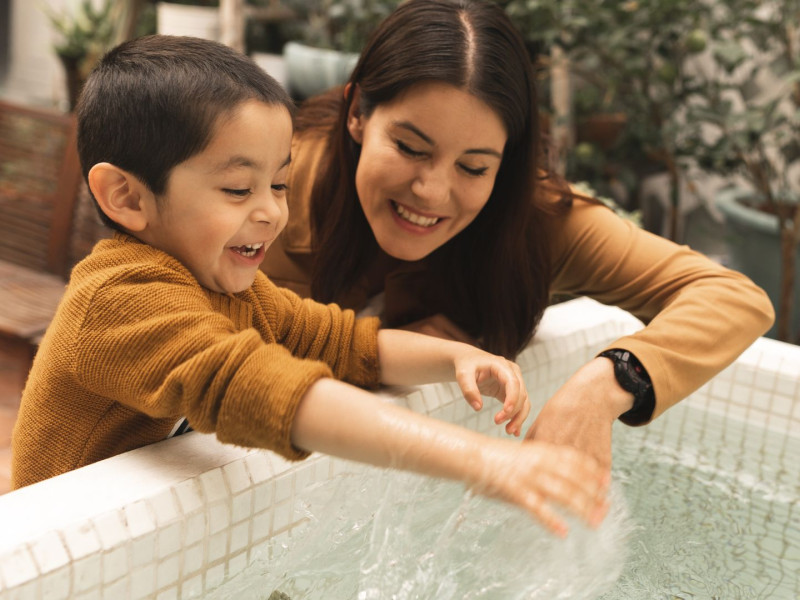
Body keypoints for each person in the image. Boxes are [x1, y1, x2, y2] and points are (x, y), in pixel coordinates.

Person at [11, 35, 609, 537]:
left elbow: (344, 343)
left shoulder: (232, 290)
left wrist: (457, 356)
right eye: (239, 190)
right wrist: (480, 458)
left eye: (280, 184)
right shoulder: (119, 302)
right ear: (128, 197)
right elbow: (267, 390)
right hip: (55, 555)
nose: (272, 212)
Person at [261, 0, 775, 468]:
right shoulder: (261, 196)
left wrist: (605, 385)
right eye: (411, 148)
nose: (433, 192)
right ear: (357, 114)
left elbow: (732, 298)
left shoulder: (533, 221)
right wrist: (392, 350)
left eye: (474, 167)